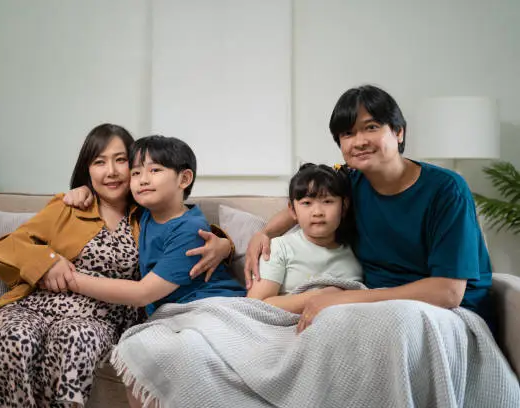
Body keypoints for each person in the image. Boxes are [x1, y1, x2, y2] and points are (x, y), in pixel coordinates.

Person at [0, 124, 233, 408]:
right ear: (88, 170)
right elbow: (4, 249)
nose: (110, 171)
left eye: (121, 160)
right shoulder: (68, 206)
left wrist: (225, 245)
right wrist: (46, 263)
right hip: (35, 306)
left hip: (98, 319)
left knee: (76, 339)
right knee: (13, 335)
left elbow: (182, 231)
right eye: (99, 162)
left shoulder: (146, 212)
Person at [243, 84, 493, 333]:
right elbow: (299, 209)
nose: (359, 141)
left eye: (371, 127)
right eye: (348, 134)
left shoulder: (447, 189)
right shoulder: (348, 180)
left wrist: (343, 300)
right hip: (372, 306)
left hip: (443, 311)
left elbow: (448, 292)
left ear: (399, 132)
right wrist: (265, 233)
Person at [66, 135, 246, 315]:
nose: (143, 180)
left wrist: (70, 279)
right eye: (135, 173)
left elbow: (142, 294)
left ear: (184, 179)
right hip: (176, 312)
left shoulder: (189, 229)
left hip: (212, 305)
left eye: (155, 170)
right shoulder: (144, 213)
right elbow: (110, 193)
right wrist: (85, 189)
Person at [246, 163, 362, 314]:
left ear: (344, 206)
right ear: (293, 210)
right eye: (307, 203)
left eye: (327, 201)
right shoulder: (279, 248)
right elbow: (255, 305)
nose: (317, 212)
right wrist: (322, 297)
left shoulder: (356, 249)